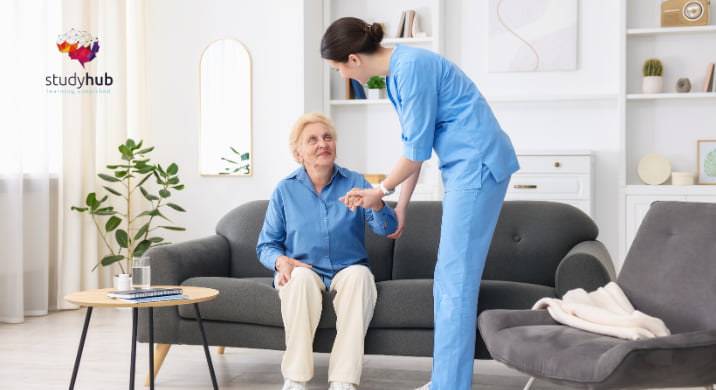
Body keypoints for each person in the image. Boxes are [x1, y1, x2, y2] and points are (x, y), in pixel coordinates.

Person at [320, 17, 520, 390]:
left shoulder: (410, 70)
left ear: (353, 59)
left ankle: (448, 385)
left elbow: (413, 154)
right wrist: (402, 206)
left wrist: (380, 192)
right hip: (465, 165)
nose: (348, 79)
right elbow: (417, 145)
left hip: (477, 162)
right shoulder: (398, 74)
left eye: (340, 70)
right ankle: (446, 381)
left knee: (453, 279)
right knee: (450, 278)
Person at [256, 112, 398, 390]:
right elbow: (266, 245)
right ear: (299, 154)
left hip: (348, 268)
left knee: (360, 277)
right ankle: (295, 380)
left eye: (327, 137)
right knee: (299, 281)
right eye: (313, 140)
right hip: (303, 269)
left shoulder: (355, 181)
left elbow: (387, 229)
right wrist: (281, 261)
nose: (323, 143)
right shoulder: (285, 190)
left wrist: (377, 204)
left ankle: (343, 381)